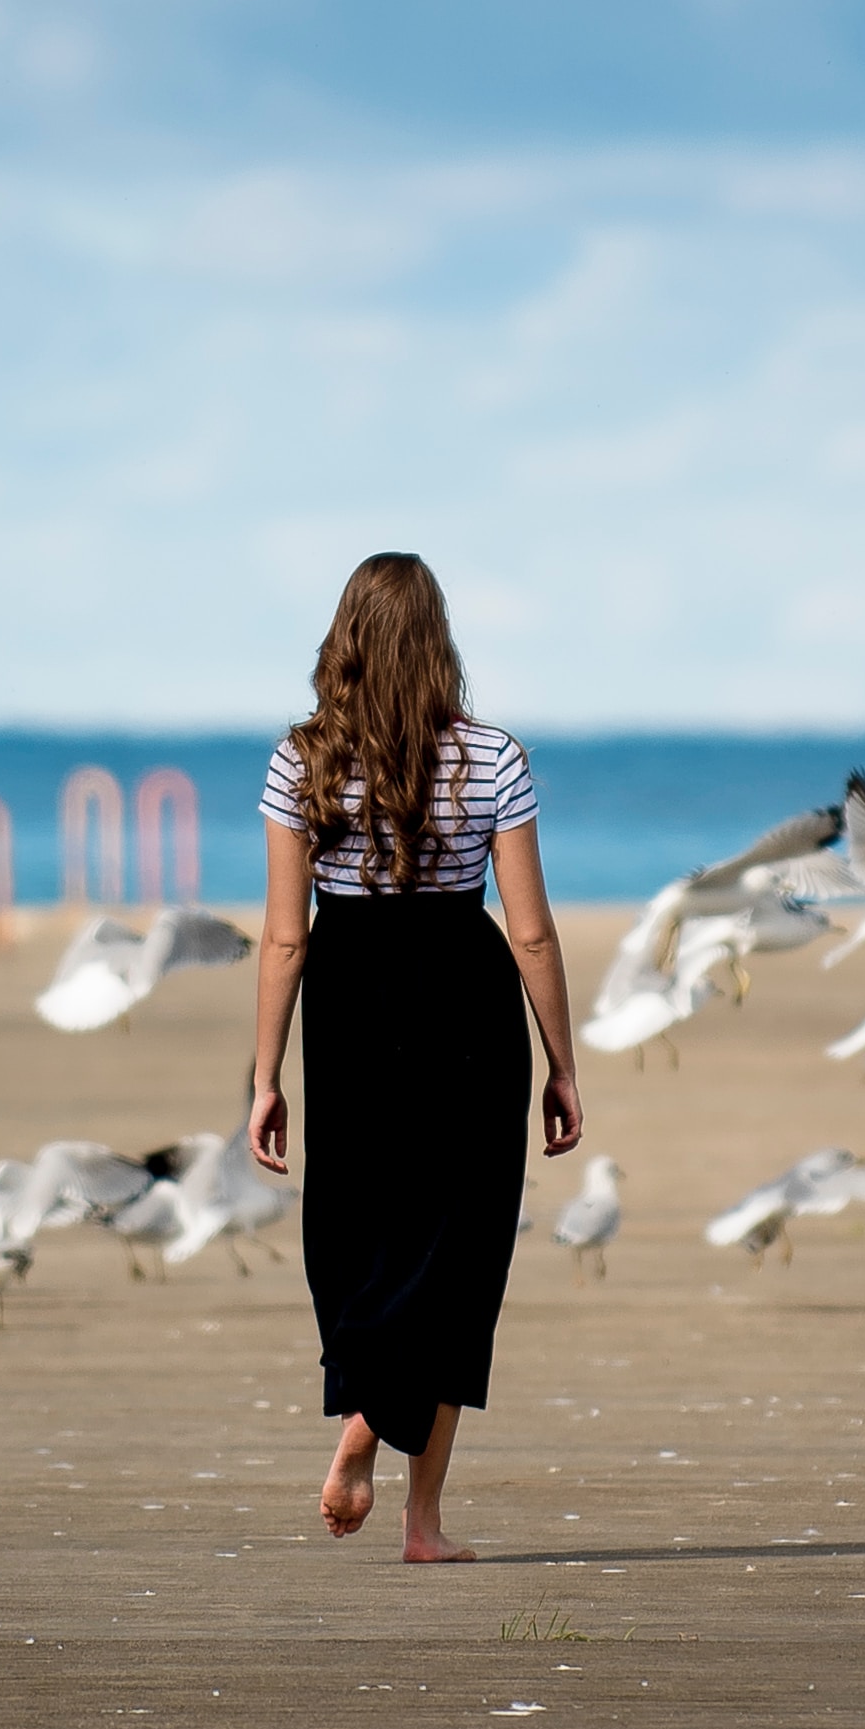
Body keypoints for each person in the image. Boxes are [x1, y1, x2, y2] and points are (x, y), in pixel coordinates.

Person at [242, 552, 583, 1562]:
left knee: (356, 1231)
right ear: (439, 645)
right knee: (459, 1251)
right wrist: (563, 1062)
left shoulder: (299, 761)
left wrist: (262, 1077)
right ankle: (419, 1516)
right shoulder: (493, 757)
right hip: (465, 996)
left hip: (347, 996)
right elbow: (529, 931)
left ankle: (363, 1414)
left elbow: (283, 936)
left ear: (341, 640)